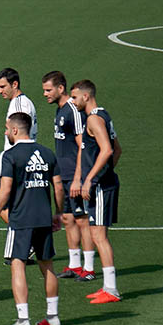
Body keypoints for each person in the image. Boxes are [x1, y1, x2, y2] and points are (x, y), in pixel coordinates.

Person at [0, 113, 65, 325]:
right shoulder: (48, 153)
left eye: (6, 128)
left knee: (17, 264)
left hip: (21, 219)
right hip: (43, 218)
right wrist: (58, 213)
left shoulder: (9, 155)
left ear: (14, 130)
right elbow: (58, 187)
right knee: (47, 265)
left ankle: (23, 318)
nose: (5, 132)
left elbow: (5, 189)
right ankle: (53, 315)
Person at [70, 80, 122, 304]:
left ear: (86, 96)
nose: (73, 102)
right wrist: (107, 172)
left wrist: (91, 178)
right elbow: (117, 150)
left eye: (75, 97)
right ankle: (107, 287)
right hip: (103, 183)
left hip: (100, 187)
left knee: (99, 237)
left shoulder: (93, 119)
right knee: (98, 235)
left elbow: (108, 149)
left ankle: (111, 290)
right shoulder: (103, 115)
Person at [40, 71, 95, 280]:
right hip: (63, 175)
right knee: (68, 218)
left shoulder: (73, 111)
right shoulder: (61, 110)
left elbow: (82, 145)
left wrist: (78, 178)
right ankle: (74, 265)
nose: (45, 94)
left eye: (48, 90)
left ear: (60, 88)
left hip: (74, 176)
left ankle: (88, 268)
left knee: (82, 220)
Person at [0, 68, 38, 232]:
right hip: (19, 161)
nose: (0, 91)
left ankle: (26, 237)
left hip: (16, 163)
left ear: (15, 84)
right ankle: (27, 238)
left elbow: (21, 135)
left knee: (0, 201)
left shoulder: (19, 105)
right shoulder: (19, 103)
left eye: (3, 87)